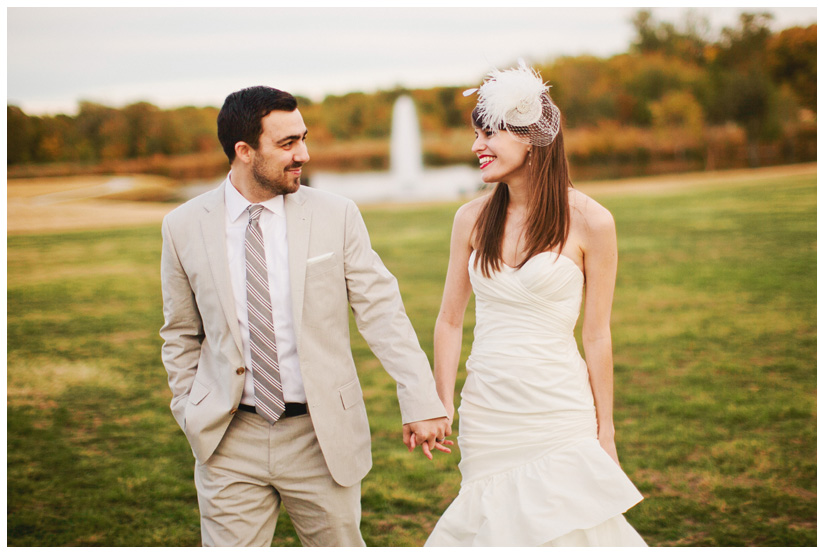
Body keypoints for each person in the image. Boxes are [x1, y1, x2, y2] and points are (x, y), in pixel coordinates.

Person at [159, 85, 451, 547]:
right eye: (287, 143)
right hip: (229, 439)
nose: (304, 154)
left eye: (304, 138)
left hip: (321, 437)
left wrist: (420, 399)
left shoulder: (337, 214)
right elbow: (179, 332)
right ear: (243, 151)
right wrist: (189, 409)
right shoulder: (182, 226)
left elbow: (382, 312)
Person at [425, 62, 647, 547]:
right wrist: (442, 400)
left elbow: (597, 334)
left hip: (558, 410)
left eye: (489, 134)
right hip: (488, 412)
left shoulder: (592, 222)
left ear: (530, 139)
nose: (476, 146)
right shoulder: (470, 219)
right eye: (476, 134)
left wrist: (605, 432)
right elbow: (448, 319)